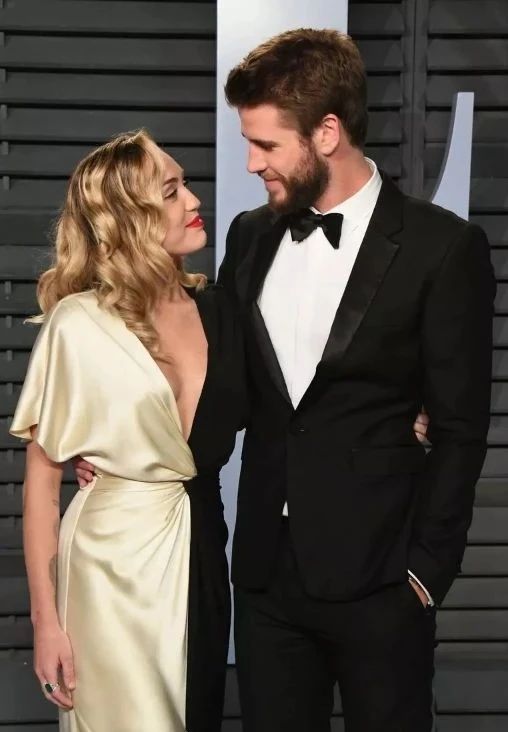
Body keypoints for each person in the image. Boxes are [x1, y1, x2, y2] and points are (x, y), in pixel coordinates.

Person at [213, 28, 495, 732]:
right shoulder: (248, 236)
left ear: (328, 132)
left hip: (383, 582)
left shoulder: (441, 247)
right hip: (266, 581)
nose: (251, 163)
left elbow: (461, 428)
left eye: (266, 144)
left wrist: (426, 573)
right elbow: (225, 388)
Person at [10, 129, 248, 732]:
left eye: (185, 184)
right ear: (127, 220)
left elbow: (290, 406)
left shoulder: (223, 312)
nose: (193, 201)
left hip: (202, 552)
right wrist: (46, 622)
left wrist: (404, 411)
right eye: (171, 192)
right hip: (107, 567)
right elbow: (42, 484)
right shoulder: (78, 324)